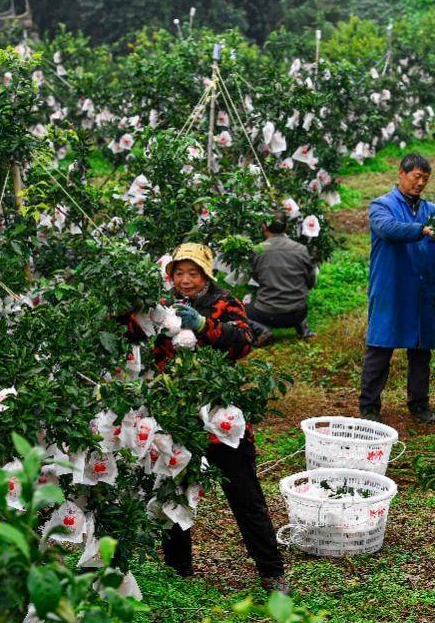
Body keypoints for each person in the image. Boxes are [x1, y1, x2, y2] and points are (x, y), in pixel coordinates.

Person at [128, 242, 288, 593]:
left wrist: (203, 324)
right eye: (179, 273)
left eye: (193, 273)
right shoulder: (162, 304)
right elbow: (134, 333)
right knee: (174, 486)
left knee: (244, 491)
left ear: (206, 274)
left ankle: (271, 571)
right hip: (174, 411)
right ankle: (178, 569)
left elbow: (244, 339)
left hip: (218, 412)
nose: (185, 280)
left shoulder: (224, 302)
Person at [360, 153, 435, 424]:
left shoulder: (433, 211)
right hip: (391, 287)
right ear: (402, 174)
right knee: (380, 347)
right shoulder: (381, 205)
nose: (420, 183)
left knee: (421, 350)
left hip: (421, 289)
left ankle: (419, 404)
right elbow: (389, 230)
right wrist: (424, 231)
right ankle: (369, 406)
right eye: (417, 177)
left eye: (425, 179)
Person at [246, 213, 317, 346]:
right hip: (298, 313)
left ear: (263, 226)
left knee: (238, 311)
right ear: (287, 226)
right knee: (297, 298)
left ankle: (262, 330)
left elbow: (256, 278)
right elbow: (311, 281)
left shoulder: (257, 251)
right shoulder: (301, 249)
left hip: (267, 315)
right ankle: (302, 327)